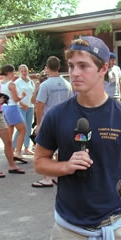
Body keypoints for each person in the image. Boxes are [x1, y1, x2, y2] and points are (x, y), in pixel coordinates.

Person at [34, 36, 121, 240]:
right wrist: (65, 166)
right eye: (72, 66)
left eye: (83, 66)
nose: (75, 73)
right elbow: (39, 162)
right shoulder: (56, 116)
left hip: (116, 231)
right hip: (68, 233)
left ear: (103, 68)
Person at [31, 56, 73, 188]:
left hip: (50, 122)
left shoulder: (45, 85)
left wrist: (38, 124)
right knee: (61, 149)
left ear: (47, 68)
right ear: (59, 67)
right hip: (65, 121)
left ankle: (47, 178)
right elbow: (71, 103)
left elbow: (40, 105)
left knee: (46, 151)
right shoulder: (67, 84)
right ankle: (59, 176)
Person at [0, 64, 28, 163]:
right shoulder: (11, 84)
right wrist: (22, 96)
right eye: (12, 72)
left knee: (9, 132)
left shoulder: (1, 83)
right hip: (12, 107)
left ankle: (10, 152)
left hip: (4, 107)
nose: (13, 74)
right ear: (9, 72)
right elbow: (15, 99)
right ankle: (18, 152)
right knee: (23, 129)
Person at [13, 64, 35, 155]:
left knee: (29, 128)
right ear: (19, 72)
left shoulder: (31, 81)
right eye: (22, 71)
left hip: (30, 107)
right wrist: (22, 103)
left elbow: (33, 93)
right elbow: (15, 96)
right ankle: (13, 147)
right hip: (21, 107)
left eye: (25, 71)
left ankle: (26, 147)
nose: (24, 73)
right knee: (22, 127)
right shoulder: (17, 82)